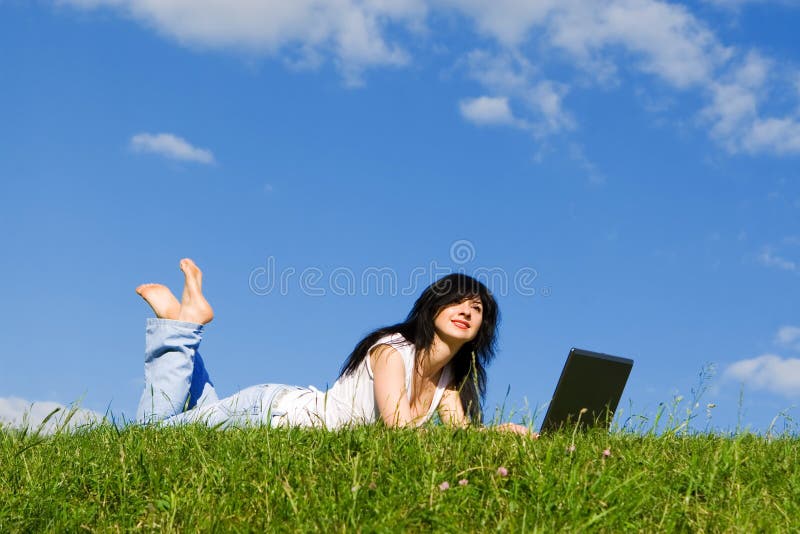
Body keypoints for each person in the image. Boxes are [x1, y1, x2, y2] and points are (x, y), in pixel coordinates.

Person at [135, 258, 533, 435]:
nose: (466, 310)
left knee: (197, 418)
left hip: (274, 415)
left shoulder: (449, 380)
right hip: (270, 413)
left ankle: (181, 323)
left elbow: (458, 437)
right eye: (456, 302)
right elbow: (398, 427)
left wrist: (500, 433)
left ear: (483, 327)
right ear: (431, 309)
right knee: (153, 435)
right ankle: (181, 325)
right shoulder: (392, 350)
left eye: (476, 308)